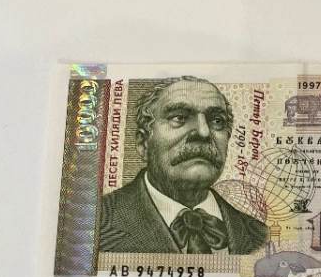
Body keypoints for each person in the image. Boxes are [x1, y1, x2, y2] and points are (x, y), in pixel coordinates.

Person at [100, 77, 267, 255]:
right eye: (179, 117)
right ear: (144, 143)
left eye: (217, 121)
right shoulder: (97, 223)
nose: (203, 132)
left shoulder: (261, 236)